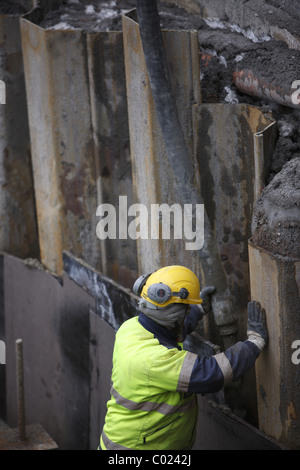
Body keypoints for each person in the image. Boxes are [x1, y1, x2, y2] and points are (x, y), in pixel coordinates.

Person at [99, 265, 268, 450]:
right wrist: (254, 343)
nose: (187, 313)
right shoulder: (155, 359)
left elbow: (168, 333)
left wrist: (197, 310)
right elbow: (212, 374)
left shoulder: (132, 328)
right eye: (185, 310)